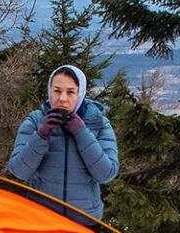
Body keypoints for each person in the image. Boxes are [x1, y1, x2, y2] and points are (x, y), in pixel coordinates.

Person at [9, 65, 119, 220]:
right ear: (50, 91)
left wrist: (81, 132)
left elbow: (106, 174)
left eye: (70, 92)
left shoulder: (99, 123)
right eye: (57, 91)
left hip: (85, 220)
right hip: (41, 218)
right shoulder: (35, 120)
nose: (62, 98)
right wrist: (41, 136)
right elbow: (19, 171)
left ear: (80, 94)